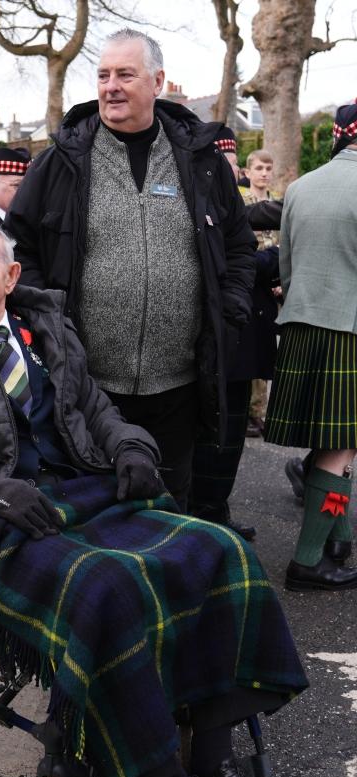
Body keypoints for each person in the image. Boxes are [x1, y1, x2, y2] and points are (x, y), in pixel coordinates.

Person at [0, 222, 306, 777]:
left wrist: (130, 446)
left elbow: (92, 408)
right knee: (110, 587)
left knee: (221, 552)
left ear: (11, 277)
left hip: (81, 493)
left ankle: (214, 757)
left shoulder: (45, 326)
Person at [5, 28, 256, 511]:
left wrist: (228, 309)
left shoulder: (200, 160)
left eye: (125, 74)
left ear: (158, 81)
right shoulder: (62, 161)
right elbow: (18, 247)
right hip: (87, 384)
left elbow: (239, 245)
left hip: (179, 385)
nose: (111, 86)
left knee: (170, 508)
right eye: (103, 75)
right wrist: (50, 321)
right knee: (95, 509)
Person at [263, 102, 357, 591]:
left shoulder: (300, 187)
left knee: (335, 443)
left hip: (301, 324)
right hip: (350, 330)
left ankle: (337, 539)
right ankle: (307, 562)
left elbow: (286, 265)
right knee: (341, 449)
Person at [189, 132, 281, 541]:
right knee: (213, 434)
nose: (229, 173)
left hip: (245, 334)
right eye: (221, 165)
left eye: (230, 165)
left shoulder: (235, 205)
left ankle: (217, 510)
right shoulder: (198, 204)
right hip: (218, 338)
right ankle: (206, 514)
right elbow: (226, 261)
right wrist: (278, 260)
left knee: (231, 434)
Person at [241, 149, 279, 438]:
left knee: (267, 349)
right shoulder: (243, 203)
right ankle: (251, 411)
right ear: (248, 171)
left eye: (268, 168)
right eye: (259, 168)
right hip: (249, 282)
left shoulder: (277, 204)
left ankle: (262, 410)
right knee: (250, 348)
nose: (264, 173)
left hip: (271, 284)